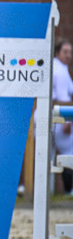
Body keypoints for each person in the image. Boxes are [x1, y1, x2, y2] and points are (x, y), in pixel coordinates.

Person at [53, 38, 73, 194]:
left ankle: (45, 192)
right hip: (57, 117)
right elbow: (63, 99)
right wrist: (68, 120)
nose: (68, 55)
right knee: (69, 152)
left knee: (46, 155)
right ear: (57, 52)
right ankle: (68, 191)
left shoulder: (57, 67)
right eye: (65, 52)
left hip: (42, 117)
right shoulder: (60, 70)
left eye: (70, 52)